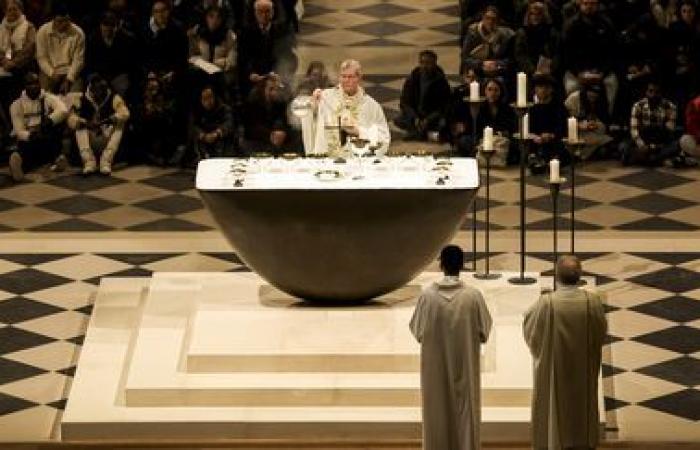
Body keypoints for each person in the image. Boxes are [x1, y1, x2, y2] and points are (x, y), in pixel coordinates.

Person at [409, 245, 492, 450]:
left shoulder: (428, 297)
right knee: (465, 414)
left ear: (441, 265)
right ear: (462, 266)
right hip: (465, 369)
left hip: (435, 373)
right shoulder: (473, 297)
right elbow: (484, 332)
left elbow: (418, 332)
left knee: (437, 413)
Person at [524, 255, 607, 450]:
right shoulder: (592, 302)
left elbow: (531, 332)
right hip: (582, 374)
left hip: (555, 371)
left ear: (555, 276)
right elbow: (599, 335)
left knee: (555, 409)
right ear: (580, 276)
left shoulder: (546, 303)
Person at [312, 59, 391, 157]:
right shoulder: (327, 97)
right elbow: (309, 120)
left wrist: (359, 131)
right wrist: (314, 105)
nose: (346, 80)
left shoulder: (371, 106)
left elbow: (384, 138)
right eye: (343, 76)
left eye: (350, 77)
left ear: (359, 78)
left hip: (358, 161)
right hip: (329, 159)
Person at [622, 78, 697, 167]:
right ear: (646, 92)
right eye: (650, 91)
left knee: (677, 144)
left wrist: (653, 147)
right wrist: (642, 146)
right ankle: (660, 160)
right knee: (623, 147)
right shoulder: (638, 106)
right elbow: (634, 130)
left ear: (661, 93)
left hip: (661, 142)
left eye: (656, 92)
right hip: (643, 139)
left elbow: (669, 130)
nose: (653, 95)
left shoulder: (670, 106)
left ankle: (649, 159)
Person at [8, 72, 68, 182]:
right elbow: (18, 130)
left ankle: (56, 159)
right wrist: (31, 135)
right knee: (29, 151)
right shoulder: (16, 105)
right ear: (24, 86)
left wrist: (50, 120)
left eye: (36, 83)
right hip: (29, 138)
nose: (34, 86)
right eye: (30, 84)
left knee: (53, 136)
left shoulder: (48, 98)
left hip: (46, 134)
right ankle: (18, 163)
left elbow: (63, 110)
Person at [562, 0, 618, 115]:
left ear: (597, 5)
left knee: (611, 83)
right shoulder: (571, 25)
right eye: (586, 4)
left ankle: (606, 120)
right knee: (571, 87)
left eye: (592, 4)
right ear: (580, 4)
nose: (589, 7)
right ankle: (575, 121)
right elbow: (566, 54)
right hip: (577, 71)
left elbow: (612, 52)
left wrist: (602, 72)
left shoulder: (606, 24)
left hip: (601, 71)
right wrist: (578, 73)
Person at [67, 74, 130, 175]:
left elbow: (125, 113)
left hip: (106, 135)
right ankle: (88, 162)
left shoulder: (114, 97)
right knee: (79, 126)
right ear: (91, 88)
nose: (99, 93)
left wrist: (106, 120)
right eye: (96, 90)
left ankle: (106, 161)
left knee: (120, 125)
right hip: (89, 137)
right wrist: (86, 123)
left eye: (102, 89)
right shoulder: (80, 97)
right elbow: (70, 119)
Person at [237, 0, 296, 96]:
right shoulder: (246, 32)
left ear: (273, 12)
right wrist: (251, 73)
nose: (264, 15)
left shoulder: (282, 31)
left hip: (276, 77)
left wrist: (277, 72)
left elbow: (287, 55)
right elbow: (243, 58)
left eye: (267, 11)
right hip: (254, 78)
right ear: (255, 13)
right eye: (260, 12)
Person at [394, 50, 451, 142]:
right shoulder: (413, 78)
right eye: (422, 63)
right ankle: (423, 133)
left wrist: (428, 119)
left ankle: (417, 133)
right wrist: (415, 117)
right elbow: (404, 102)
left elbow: (444, 106)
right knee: (398, 120)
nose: (424, 66)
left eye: (428, 63)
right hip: (417, 115)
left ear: (434, 64)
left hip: (432, 117)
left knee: (443, 124)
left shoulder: (441, 82)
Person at [0, 0, 37, 130]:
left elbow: (29, 49)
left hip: (23, 67)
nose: (12, 12)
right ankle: (9, 127)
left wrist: (13, 63)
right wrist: (4, 61)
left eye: (15, 9)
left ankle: (22, 125)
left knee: (15, 87)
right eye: (9, 10)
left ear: (21, 10)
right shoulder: (1, 27)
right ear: (5, 11)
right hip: (4, 67)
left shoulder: (29, 27)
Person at [188, 5, 237, 101]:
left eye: (218, 17)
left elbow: (232, 60)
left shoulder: (229, 35)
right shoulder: (197, 32)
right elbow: (192, 55)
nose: (214, 20)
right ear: (206, 18)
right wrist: (201, 63)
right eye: (211, 16)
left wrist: (217, 63)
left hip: (221, 73)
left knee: (217, 82)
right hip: (200, 72)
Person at [35, 2, 85, 95]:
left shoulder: (78, 33)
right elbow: (41, 58)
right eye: (60, 21)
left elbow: (78, 60)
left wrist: (69, 79)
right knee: (44, 96)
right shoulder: (42, 32)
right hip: (50, 71)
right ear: (53, 19)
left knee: (75, 98)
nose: (64, 24)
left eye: (67, 20)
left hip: (70, 71)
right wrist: (52, 73)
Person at [85, 11, 135, 98]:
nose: (108, 28)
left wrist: (110, 78)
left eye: (112, 25)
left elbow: (127, 65)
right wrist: (98, 78)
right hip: (98, 75)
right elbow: (89, 63)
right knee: (96, 91)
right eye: (105, 24)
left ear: (117, 26)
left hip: (118, 75)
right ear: (100, 25)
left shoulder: (126, 39)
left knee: (121, 88)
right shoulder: (92, 39)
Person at [241, 74, 293, 154]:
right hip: (256, 140)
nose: (275, 92)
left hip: (275, 138)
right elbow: (250, 128)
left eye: (276, 89)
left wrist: (281, 131)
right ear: (263, 89)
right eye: (271, 89)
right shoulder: (253, 101)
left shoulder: (280, 101)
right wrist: (270, 135)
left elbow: (283, 120)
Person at [529, 72, 569, 174]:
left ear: (551, 89)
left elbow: (563, 126)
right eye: (539, 87)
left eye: (546, 87)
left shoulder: (558, 106)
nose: (542, 90)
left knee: (560, 146)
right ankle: (536, 160)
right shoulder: (530, 106)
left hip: (553, 138)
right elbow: (526, 126)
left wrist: (551, 135)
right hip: (535, 139)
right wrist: (534, 136)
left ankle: (550, 162)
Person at [461, 6, 515, 80]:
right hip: (477, 69)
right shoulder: (473, 33)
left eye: (493, 19)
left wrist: (496, 63)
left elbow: (510, 59)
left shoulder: (504, 35)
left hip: (497, 70)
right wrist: (482, 64)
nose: (490, 22)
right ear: (483, 18)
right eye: (487, 18)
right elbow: (465, 58)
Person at [291, 60, 332, 154]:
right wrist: (312, 102)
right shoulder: (303, 85)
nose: (317, 78)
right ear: (309, 74)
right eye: (314, 74)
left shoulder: (329, 86)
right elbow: (297, 104)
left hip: (324, 123)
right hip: (304, 121)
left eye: (319, 74)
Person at [565, 82, 613, 159]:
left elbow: (603, 120)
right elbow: (565, 119)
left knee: (601, 128)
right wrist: (579, 125)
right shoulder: (574, 98)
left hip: (590, 129)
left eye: (596, 93)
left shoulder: (601, 100)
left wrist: (595, 124)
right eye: (591, 92)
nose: (593, 95)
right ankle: (580, 154)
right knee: (604, 139)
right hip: (574, 129)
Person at [475, 77, 517, 165]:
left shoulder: (507, 108)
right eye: (489, 90)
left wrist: (500, 133)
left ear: (500, 92)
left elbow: (511, 127)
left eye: (496, 90)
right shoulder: (480, 108)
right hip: (483, 139)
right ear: (485, 91)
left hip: (500, 139)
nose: (492, 93)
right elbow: (477, 128)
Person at [514, 1, 561, 76]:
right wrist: (532, 70)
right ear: (528, 15)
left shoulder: (551, 32)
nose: (535, 17)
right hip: (529, 71)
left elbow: (557, 54)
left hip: (549, 70)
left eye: (538, 14)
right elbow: (520, 56)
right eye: (532, 14)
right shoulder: (522, 33)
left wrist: (550, 69)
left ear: (543, 15)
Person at [191, 85, 235, 160]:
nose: (208, 101)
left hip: (222, 143)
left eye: (210, 97)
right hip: (203, 142)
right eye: (205, 99)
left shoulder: (224, 109)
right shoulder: (197, 111)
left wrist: (216, 133)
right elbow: (193, 126)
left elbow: (229, 123)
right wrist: (203, 135)